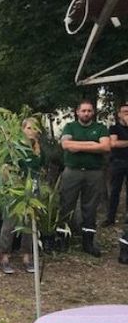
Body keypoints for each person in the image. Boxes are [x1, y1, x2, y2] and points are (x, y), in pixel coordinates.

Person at [59, 99, 110, 257]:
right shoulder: (70, 126)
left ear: (93, 112)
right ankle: (63, 240)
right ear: (77, 112)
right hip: (72, 171)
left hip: (94, 173)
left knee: (90, 207)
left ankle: (88, 243)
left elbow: (106, 147)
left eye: (89, 111)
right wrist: (92, 144)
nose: (86, 113)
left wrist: (78, 145)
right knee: (66, 205)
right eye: (83, 111)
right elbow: (66, 145)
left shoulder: (100, 128)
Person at [0, 117, 44, 274]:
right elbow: (5, 169)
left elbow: (39, 170)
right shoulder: (14, 148)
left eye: (35, 128)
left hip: (32, 189)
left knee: (29, 223)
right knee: (10, 223)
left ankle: (27, 257)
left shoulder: (38, 150)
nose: (32, 131)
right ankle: (5, 256)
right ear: (23, 130)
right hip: (15, 189)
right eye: (29, 128)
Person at [102, 103, 128, 227]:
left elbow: (119, 142)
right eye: (124, 111)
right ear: (119, 114)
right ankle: (110, 218)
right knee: (115, 191)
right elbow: (113, 143)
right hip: (117, 162)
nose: (126, 114)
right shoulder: (114, 128)